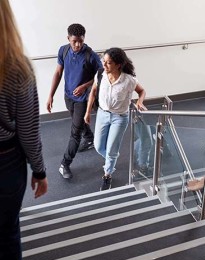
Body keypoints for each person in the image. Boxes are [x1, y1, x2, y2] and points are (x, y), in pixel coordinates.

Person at [0, 1, 48, 260]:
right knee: (7, 232)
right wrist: (39, 171)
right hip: (6, 163)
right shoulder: (17, 68)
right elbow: (29, 131)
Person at [84, 47, 147, 191]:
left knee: (111, 150)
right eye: (104, 61)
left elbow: (142, 91)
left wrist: (139, 101)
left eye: (108, 63)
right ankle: (111, 157)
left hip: (120, 118)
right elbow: (93, 92)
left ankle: (107, 175)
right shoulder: (100, 74)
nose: (104, 65)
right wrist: (87, 112)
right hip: (102, 114)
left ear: (118, 64)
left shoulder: (128, 80)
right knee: (99, 146)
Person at [47, 23, 103, 179]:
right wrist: (50, 95)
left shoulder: (90, 55)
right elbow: (58, 73)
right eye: (74, 41)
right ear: (68, 39)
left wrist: (85, 86)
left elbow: (100, 76)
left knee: (75, 132)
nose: (78, 44)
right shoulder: (63, 50)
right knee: (77, 121)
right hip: (68, 96)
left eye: (81, 41)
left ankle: (64, 164)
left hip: (83, 99)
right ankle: (90, 138)